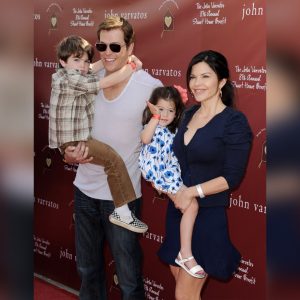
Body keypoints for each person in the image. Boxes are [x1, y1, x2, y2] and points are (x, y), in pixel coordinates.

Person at [63, 17, 162, 300]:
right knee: (88, 271)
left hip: (123, 198)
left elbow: (165, 134)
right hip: (84, 192)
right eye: (102, 45)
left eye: (116, 46)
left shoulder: (149, 87)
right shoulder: (85, 79)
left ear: (130, 46)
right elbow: (67, 124)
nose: (107, 52)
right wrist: (68, 153)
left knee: (129, 278)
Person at [158, 50, 253, 300]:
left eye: (205, 76)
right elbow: (172, 158)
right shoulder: (187, 114)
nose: (197, 83)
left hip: (207, 214)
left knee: (184, 295)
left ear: (222, 81)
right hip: (178, 212)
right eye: (192, 77)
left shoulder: (234, 122)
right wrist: (164, 183)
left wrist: (192, 191)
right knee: (183, 287)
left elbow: (231, 178)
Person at [49, 35, 148, 233]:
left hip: (74, 138)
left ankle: (121, 210)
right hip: (74, 140)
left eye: (85, 60)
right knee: (113, 159)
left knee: (111, 160)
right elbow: (106, 81)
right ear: (62, 61)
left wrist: (112, 58)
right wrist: (132, 67)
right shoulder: (70, 78)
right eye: (76, 60)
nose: (83, 66)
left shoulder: (70, 73)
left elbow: (92, 68)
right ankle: (123, 213)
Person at [139, 86, 205, 279]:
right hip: (160, 173)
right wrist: (155, 117)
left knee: (191, 206)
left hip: (171, 174)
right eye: (160, 109)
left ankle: (184, 252)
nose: (165, 114)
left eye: (170, 110)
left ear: (177, 112)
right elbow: (145, 138)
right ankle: (185, 253)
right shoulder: (153, 125)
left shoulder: (174, 130)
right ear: (153, 108)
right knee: (191, 207)